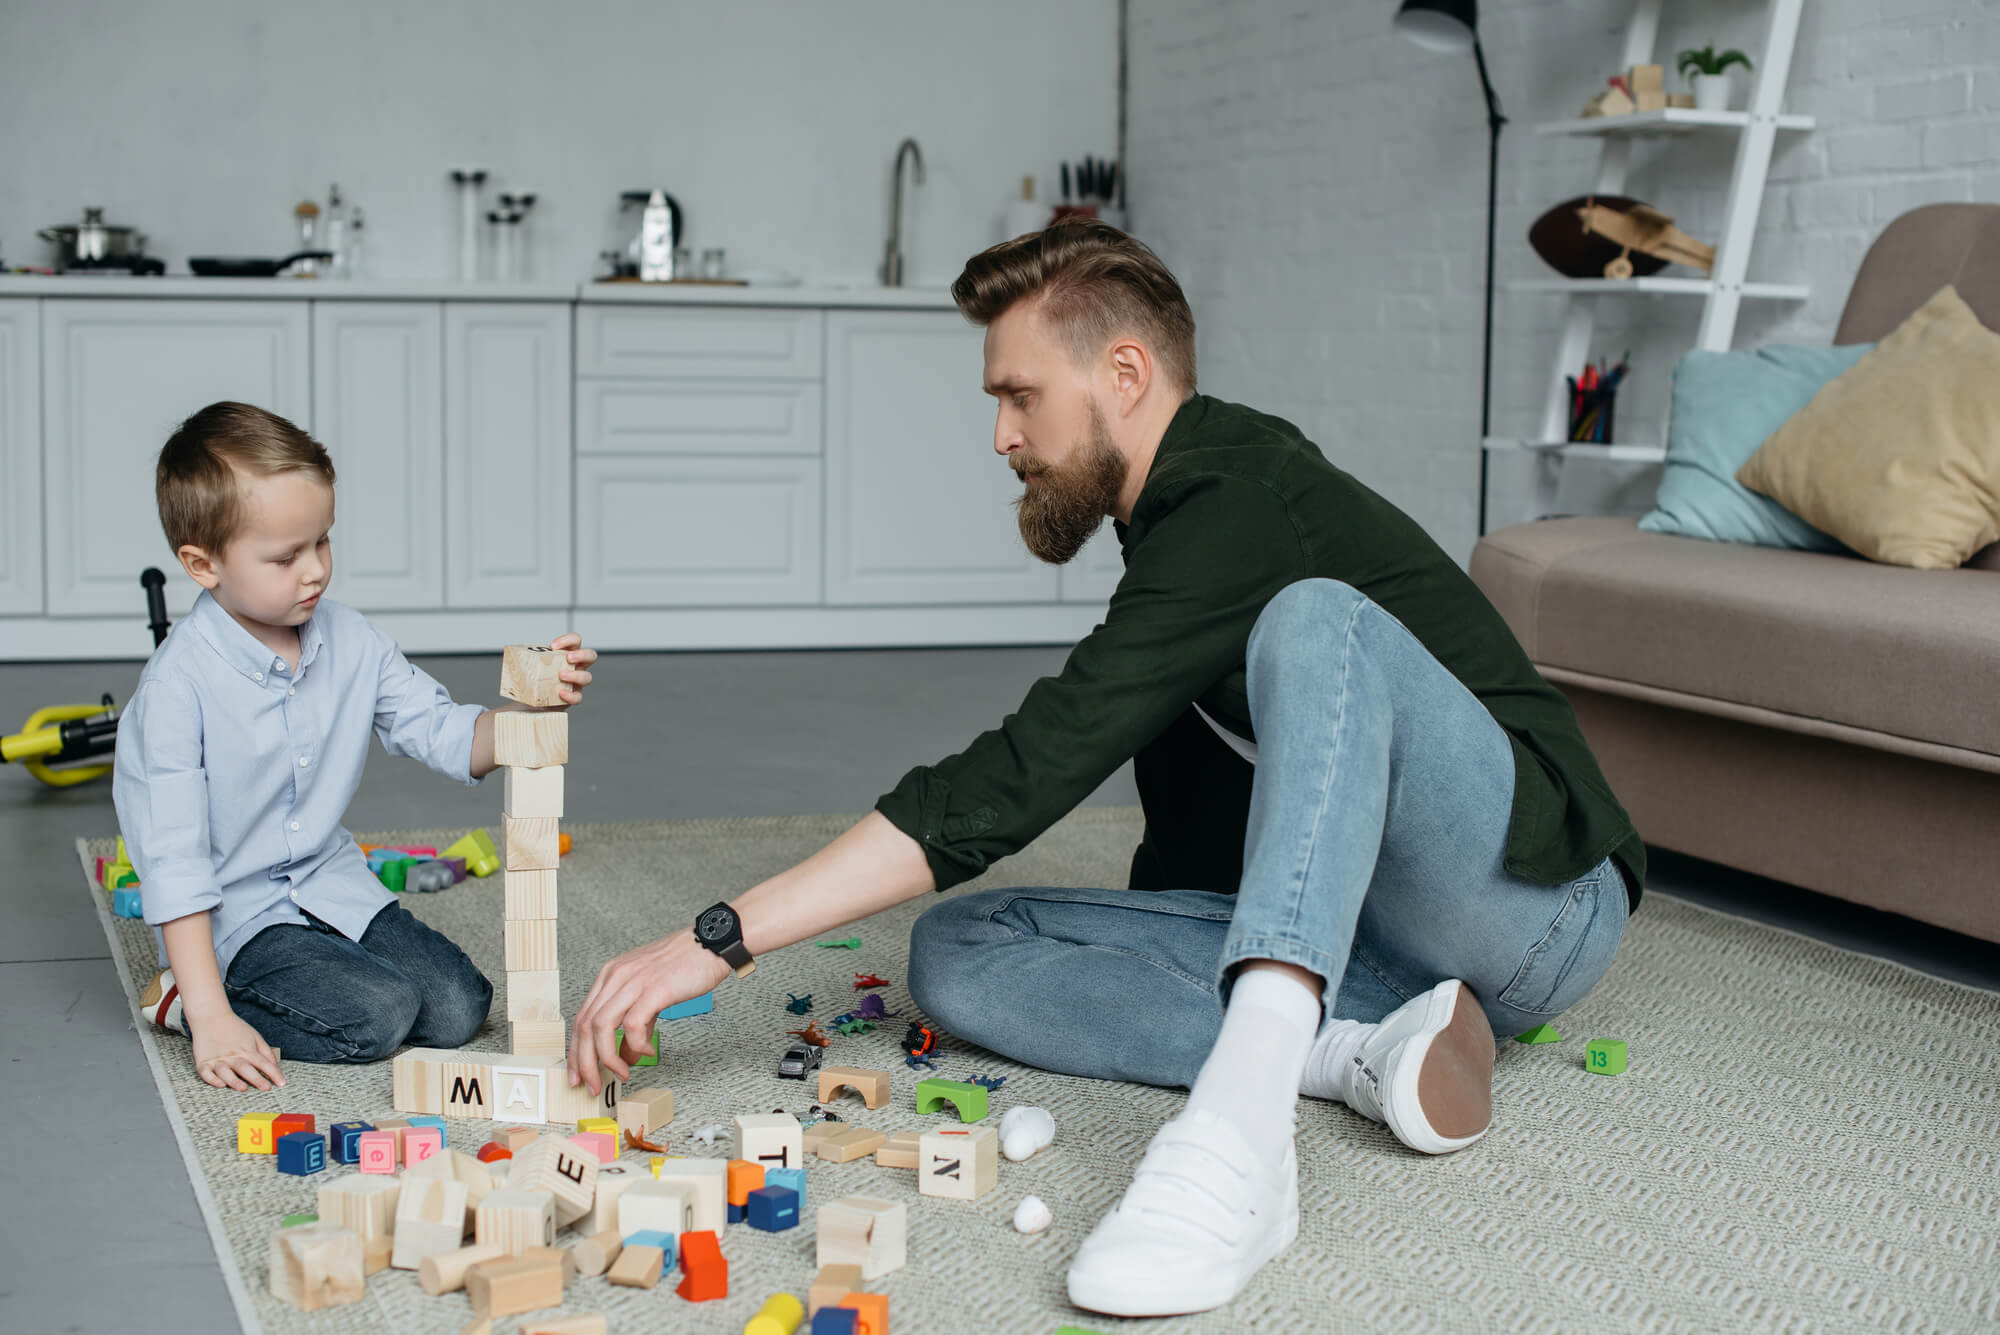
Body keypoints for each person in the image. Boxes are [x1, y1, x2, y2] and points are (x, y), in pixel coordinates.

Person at [566, 221, 1642, 1317]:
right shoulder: (1174, 527)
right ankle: (1351, 1051)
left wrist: (721, 935)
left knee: (1320, 623)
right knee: (958, 949)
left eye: (1020, 395)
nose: (1000, 435)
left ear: (1123, 373)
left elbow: (1027, 768)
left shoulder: (1239, 500)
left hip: (1530, 907)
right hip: (1369, 943)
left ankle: (1242, 1135)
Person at [114, 402, 597, 1094]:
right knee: (377, 1017)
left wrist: (532, 705)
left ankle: (318, 970)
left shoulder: (350, 639)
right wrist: (213, 1013)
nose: (314, 571)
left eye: (323, 542)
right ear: (202, 564)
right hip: (234, 917)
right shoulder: (175, 690)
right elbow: (176, 867)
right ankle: (184, 999)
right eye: (284, 556)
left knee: (462, 1006)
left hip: (328, 884)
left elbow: (446, 733)